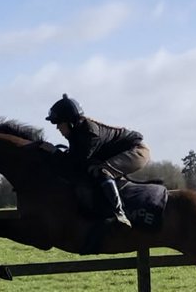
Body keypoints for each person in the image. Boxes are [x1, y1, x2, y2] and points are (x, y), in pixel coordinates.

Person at [45, 94, 150, 227]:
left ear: (70, 122)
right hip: (120, 151)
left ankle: (120, 214)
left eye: (59, 123)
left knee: (102, 170)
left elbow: (76, 163)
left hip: (137, 151)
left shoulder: (89, 133)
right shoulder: (76, 133)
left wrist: (54, 152)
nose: (57, 128)